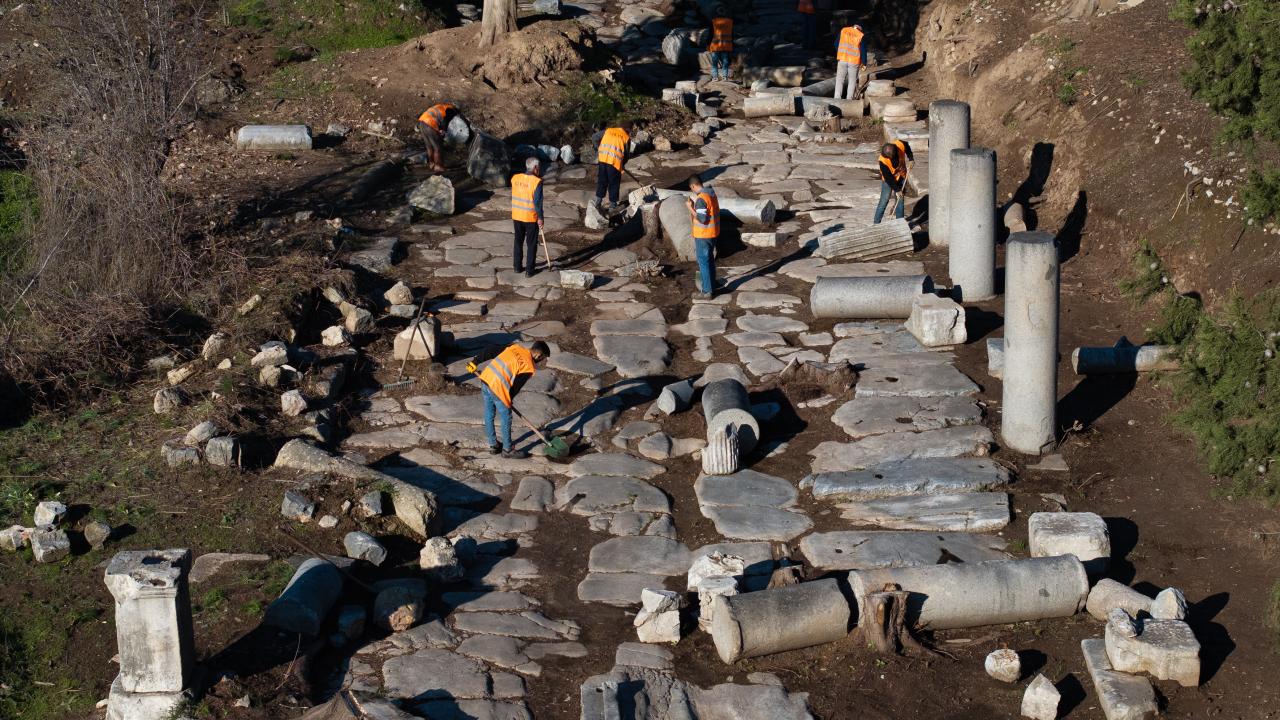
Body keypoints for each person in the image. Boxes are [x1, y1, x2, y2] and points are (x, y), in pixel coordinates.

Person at [477, 341, 551, 459]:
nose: (541, 361)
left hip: (486, 379)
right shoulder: (528, 366)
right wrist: (508, 400)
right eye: (543, 358)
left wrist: (475, 361)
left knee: (489, 413)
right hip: (497, 387)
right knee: (506, 416)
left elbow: (490, 349)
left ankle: (493, 445)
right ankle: (507, 450)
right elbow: (516, 386)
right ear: (538, 355)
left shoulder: (515, 347)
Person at [685, 174, 720, 299]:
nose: (692, 191)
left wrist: (690, 208)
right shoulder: (711, 194)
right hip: (713, 233)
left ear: (693, 186)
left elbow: (702, 218)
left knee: (704, 262)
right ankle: (712, 285)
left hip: (703, 235)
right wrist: (696, 207)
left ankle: (706, 291)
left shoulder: (701, 199)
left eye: (691, 188)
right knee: (710, 260)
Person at [510, 157, 545, 278]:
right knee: (531, 244)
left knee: (518, 241)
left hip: (517, 215)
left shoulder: (515, 178)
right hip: (530, 217)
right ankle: (529, 270)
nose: (539, 169)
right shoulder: (537, 182)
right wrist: (540, 218)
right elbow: (537, 202)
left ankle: (517, 267)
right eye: (539, 167)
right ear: (535, 168)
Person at [873, 140, 914, 224]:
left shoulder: (899, 145)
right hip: (888, 181)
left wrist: (911, 158)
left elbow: (907, 146)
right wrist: (897, 190)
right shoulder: (883, 161)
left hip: (901, 176)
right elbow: (888, 178)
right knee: (884, 200)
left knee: (900, 199)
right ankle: (876, 224)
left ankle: (900, 223)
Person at [595, 121, 631, 210]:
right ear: (627, 129)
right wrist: (622, 164)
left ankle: (598, 202)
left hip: (603, 159)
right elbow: (626, 155)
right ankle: (613, 205)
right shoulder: (626, 137)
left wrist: (598, 148)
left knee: (602, 180)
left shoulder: (608, 131)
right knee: (614, 183)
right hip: (614, 163)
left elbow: (594, 137)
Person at [417, 103, 460, 173]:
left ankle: (431, 164)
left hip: (422, 122)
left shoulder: (442, 106)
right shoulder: (450, 110)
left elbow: (440, 119)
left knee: (429, 146)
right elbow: (445, 122)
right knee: (438, 148)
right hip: (430, 124)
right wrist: (443, 131)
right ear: (456, 109)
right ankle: (438, 166)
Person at [835, 24, 867, 100]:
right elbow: (863, 51)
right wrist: (864, 63)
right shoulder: (860, 35)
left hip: (842, 59)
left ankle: (836, 99)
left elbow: (836, 44)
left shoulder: (844, 30)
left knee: (839, 80)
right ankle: (849, 99)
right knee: (852, 81)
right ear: (860, 29)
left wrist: (840, 53)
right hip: (854, 61)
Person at [708, 7, 734, 82]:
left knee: (714, 63)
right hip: (726, 45)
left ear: (716, 13)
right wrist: (733, 45)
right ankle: (725, 77)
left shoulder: (713, 21)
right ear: (725, 13)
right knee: (725, 62)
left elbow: (710, 34)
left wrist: (707, 44)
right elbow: (732, 35)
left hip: (715, 46)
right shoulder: (729, 22)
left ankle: (715, 77)